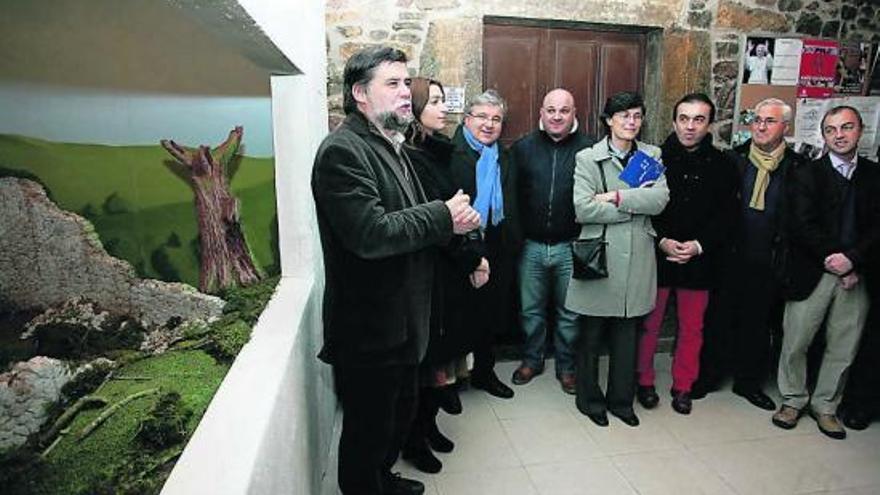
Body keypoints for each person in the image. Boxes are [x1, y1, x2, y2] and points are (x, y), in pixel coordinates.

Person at [311, 46, 481, 495]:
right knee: (368, 432)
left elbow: (408, 219)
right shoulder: (341, 152)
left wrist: (451, 224)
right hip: (370, 328)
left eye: (407, 83)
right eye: (393, 84)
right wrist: (443, 216)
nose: (406, 92)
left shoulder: (391, 146)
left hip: (404, 322)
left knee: (396, 418)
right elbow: (372, 234)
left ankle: (383, 480)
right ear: (360, 93)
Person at [773, 106, 880, 439]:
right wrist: (834, 259)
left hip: (856, 274)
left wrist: (854, 261)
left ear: (860, 131)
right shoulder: (806, 174)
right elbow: (801, 224)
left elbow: (877, 227)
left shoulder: (875, 176)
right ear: (824, 135)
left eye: (847, 128)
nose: (839, 135)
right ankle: (792, 399)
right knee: (796, 340)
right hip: (813, 270)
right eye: (832, 129)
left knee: (844, 344)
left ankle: (826, 406)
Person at [565, 91, 669, 427]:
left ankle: (622, 402)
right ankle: (589, 400)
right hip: (599, 255)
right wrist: (632, 208)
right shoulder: (588, 158)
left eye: (637, 116)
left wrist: (616, 196)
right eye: (623, 116)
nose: (631, 122)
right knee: (591, 336)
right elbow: (583, 208)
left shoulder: (650, 154)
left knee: (628, 334)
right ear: (609, 120)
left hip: (637, 258)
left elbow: (660, 200)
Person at [693, 98, 803, 411]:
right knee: (717, 320)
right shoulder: (732, 160)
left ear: (785, 127)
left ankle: (748, 383)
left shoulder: (796, 167)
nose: (761, 126)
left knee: (758, 324)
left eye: (769, 121)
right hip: (729, 256)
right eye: (756, 120)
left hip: (769, 259)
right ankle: (709, 377)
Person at [636, 93, 738, 415]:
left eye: (698, 120)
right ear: (674, 120)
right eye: (684, 118)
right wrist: (662, 240)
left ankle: (684, 386)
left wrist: (698, 246)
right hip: (656, 255)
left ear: (709, 124)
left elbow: (728, 216)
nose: (690, 127)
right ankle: (644, 382)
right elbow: (633, 208)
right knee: (648, 325)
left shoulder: (725, 164)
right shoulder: (648, 158)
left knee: (692, 327)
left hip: (700, 260)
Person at [401, 77, 481, 473]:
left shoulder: (438, 151)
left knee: (441, 363)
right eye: (433, 101)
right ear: (414, 108)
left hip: (450, 269)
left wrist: (472, 249)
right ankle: (414, 440)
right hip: (431, 273)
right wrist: (471, 258)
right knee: (427, 362)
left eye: (442, 100)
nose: (443, 107)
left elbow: (459, 210)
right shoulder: (411, 157)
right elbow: (437, 221)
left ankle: (428, 427)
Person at [510, 88, 594, 395]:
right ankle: (532, 360)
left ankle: (567, 367)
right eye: (551, 110)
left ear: (574, 114)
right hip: (531, 247)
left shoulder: (590, 149)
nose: (557, 116)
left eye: (564, 110)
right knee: (530, 311)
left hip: (571, 247)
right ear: (541, 114)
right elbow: (512, 198)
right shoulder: (523, 148)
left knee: (569, 313)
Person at [449, 89, 522, 400]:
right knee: (457, 315)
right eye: (482, 117)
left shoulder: (505, 155)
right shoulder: (450, 152)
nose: (489, 124)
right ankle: (449, 383)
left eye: (496, 119)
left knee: (490, 315)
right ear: (467, 119)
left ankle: (484, 373)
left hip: (498, 246)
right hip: (460, 248)